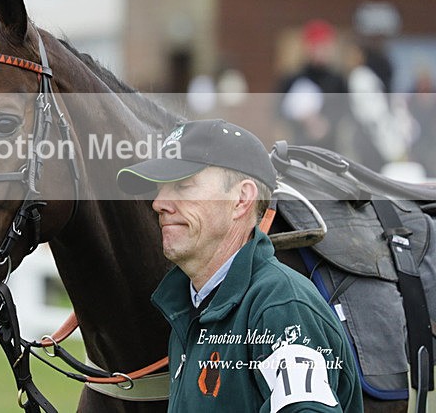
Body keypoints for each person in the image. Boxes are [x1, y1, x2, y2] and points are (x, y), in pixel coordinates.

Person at [116, 119, 362, 412]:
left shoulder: (281, 308)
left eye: (183, 185)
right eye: (160, 188)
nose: (159, 203)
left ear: (241, 199)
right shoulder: (193, 306)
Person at [278, 20, 349, 151]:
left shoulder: (338, 80)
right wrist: (303, 119)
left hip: (330, 148)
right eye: (317, 46)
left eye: (324, 47)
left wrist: (326, 124)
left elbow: (345, 111)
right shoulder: (293, 79)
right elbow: (278, 111)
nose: (320, 51)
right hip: (300, 145)